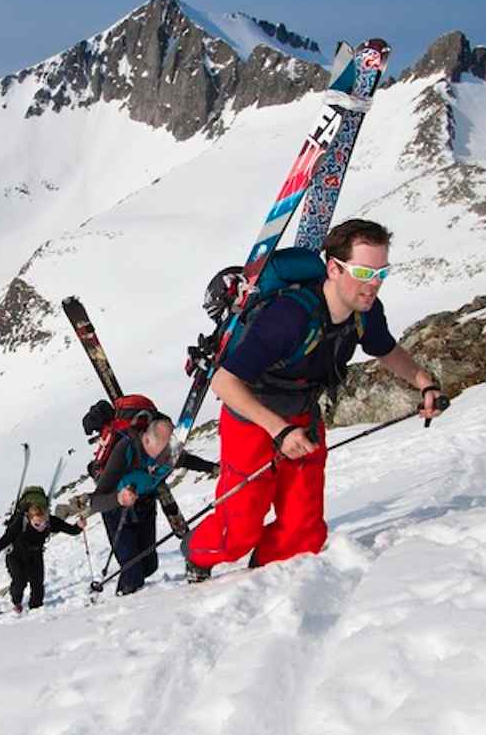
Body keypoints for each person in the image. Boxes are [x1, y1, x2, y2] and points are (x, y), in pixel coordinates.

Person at [182, 219, 445, 582]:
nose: (374, 282)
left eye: (382, 271)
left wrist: (424, 382)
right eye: (364, 271)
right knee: (237, 535)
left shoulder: (364, 312)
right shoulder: (289, 317)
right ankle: (195, 553)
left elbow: (385, 349)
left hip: (303, 418)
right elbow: (225, 383)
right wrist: (278, 430)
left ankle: (265, 580)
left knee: (304, 533)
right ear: (334, 269)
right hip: (253, 421)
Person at [81, 413, 216, 595]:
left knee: (149, 565)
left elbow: (186, 460)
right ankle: (121, 607)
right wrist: (119, 499)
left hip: (145, 504)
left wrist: (213, 468)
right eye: (162, 453)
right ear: (146, 441)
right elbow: (97, 501)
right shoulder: (124, 451)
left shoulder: (166, 451)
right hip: (118, 510)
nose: (166, 458)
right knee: (133, 569)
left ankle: (131, 596)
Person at [0, 503, 84, 613]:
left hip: (35, 555)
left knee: (37, 582)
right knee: (20, 581)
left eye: (45, 523)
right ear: (29, 519)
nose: (42, 527)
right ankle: (16, 602)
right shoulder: (19, 524)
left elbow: (70, 529)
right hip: (15, 556)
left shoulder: (51, 522)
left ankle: (36, 608)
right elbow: (4, 541)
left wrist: (79, 526)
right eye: (37, 524)